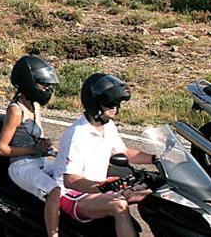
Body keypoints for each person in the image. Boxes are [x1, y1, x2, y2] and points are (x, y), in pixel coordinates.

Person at [53, 73, 157, 237]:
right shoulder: (78, 134)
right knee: (119, 205)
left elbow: (124, 153)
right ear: (94, 103)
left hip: (97, 189)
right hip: (71, 195)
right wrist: (103, 187)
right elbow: (70, 180)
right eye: (109, 103)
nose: (114, 107)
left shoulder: (108, 125)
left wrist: (157, 160)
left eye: (117, 103)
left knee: (155, 193)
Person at [0, 55, 62, 237]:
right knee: (54, 191)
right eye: (43, 84)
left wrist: (54, 150)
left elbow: (36, 139)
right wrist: (34, 150)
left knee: (69, 177)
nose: (46, 89)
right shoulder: (16, 111)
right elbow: (1, 148)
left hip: (39, 161)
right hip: (21, 166)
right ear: (28, 83)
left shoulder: (35, 106)